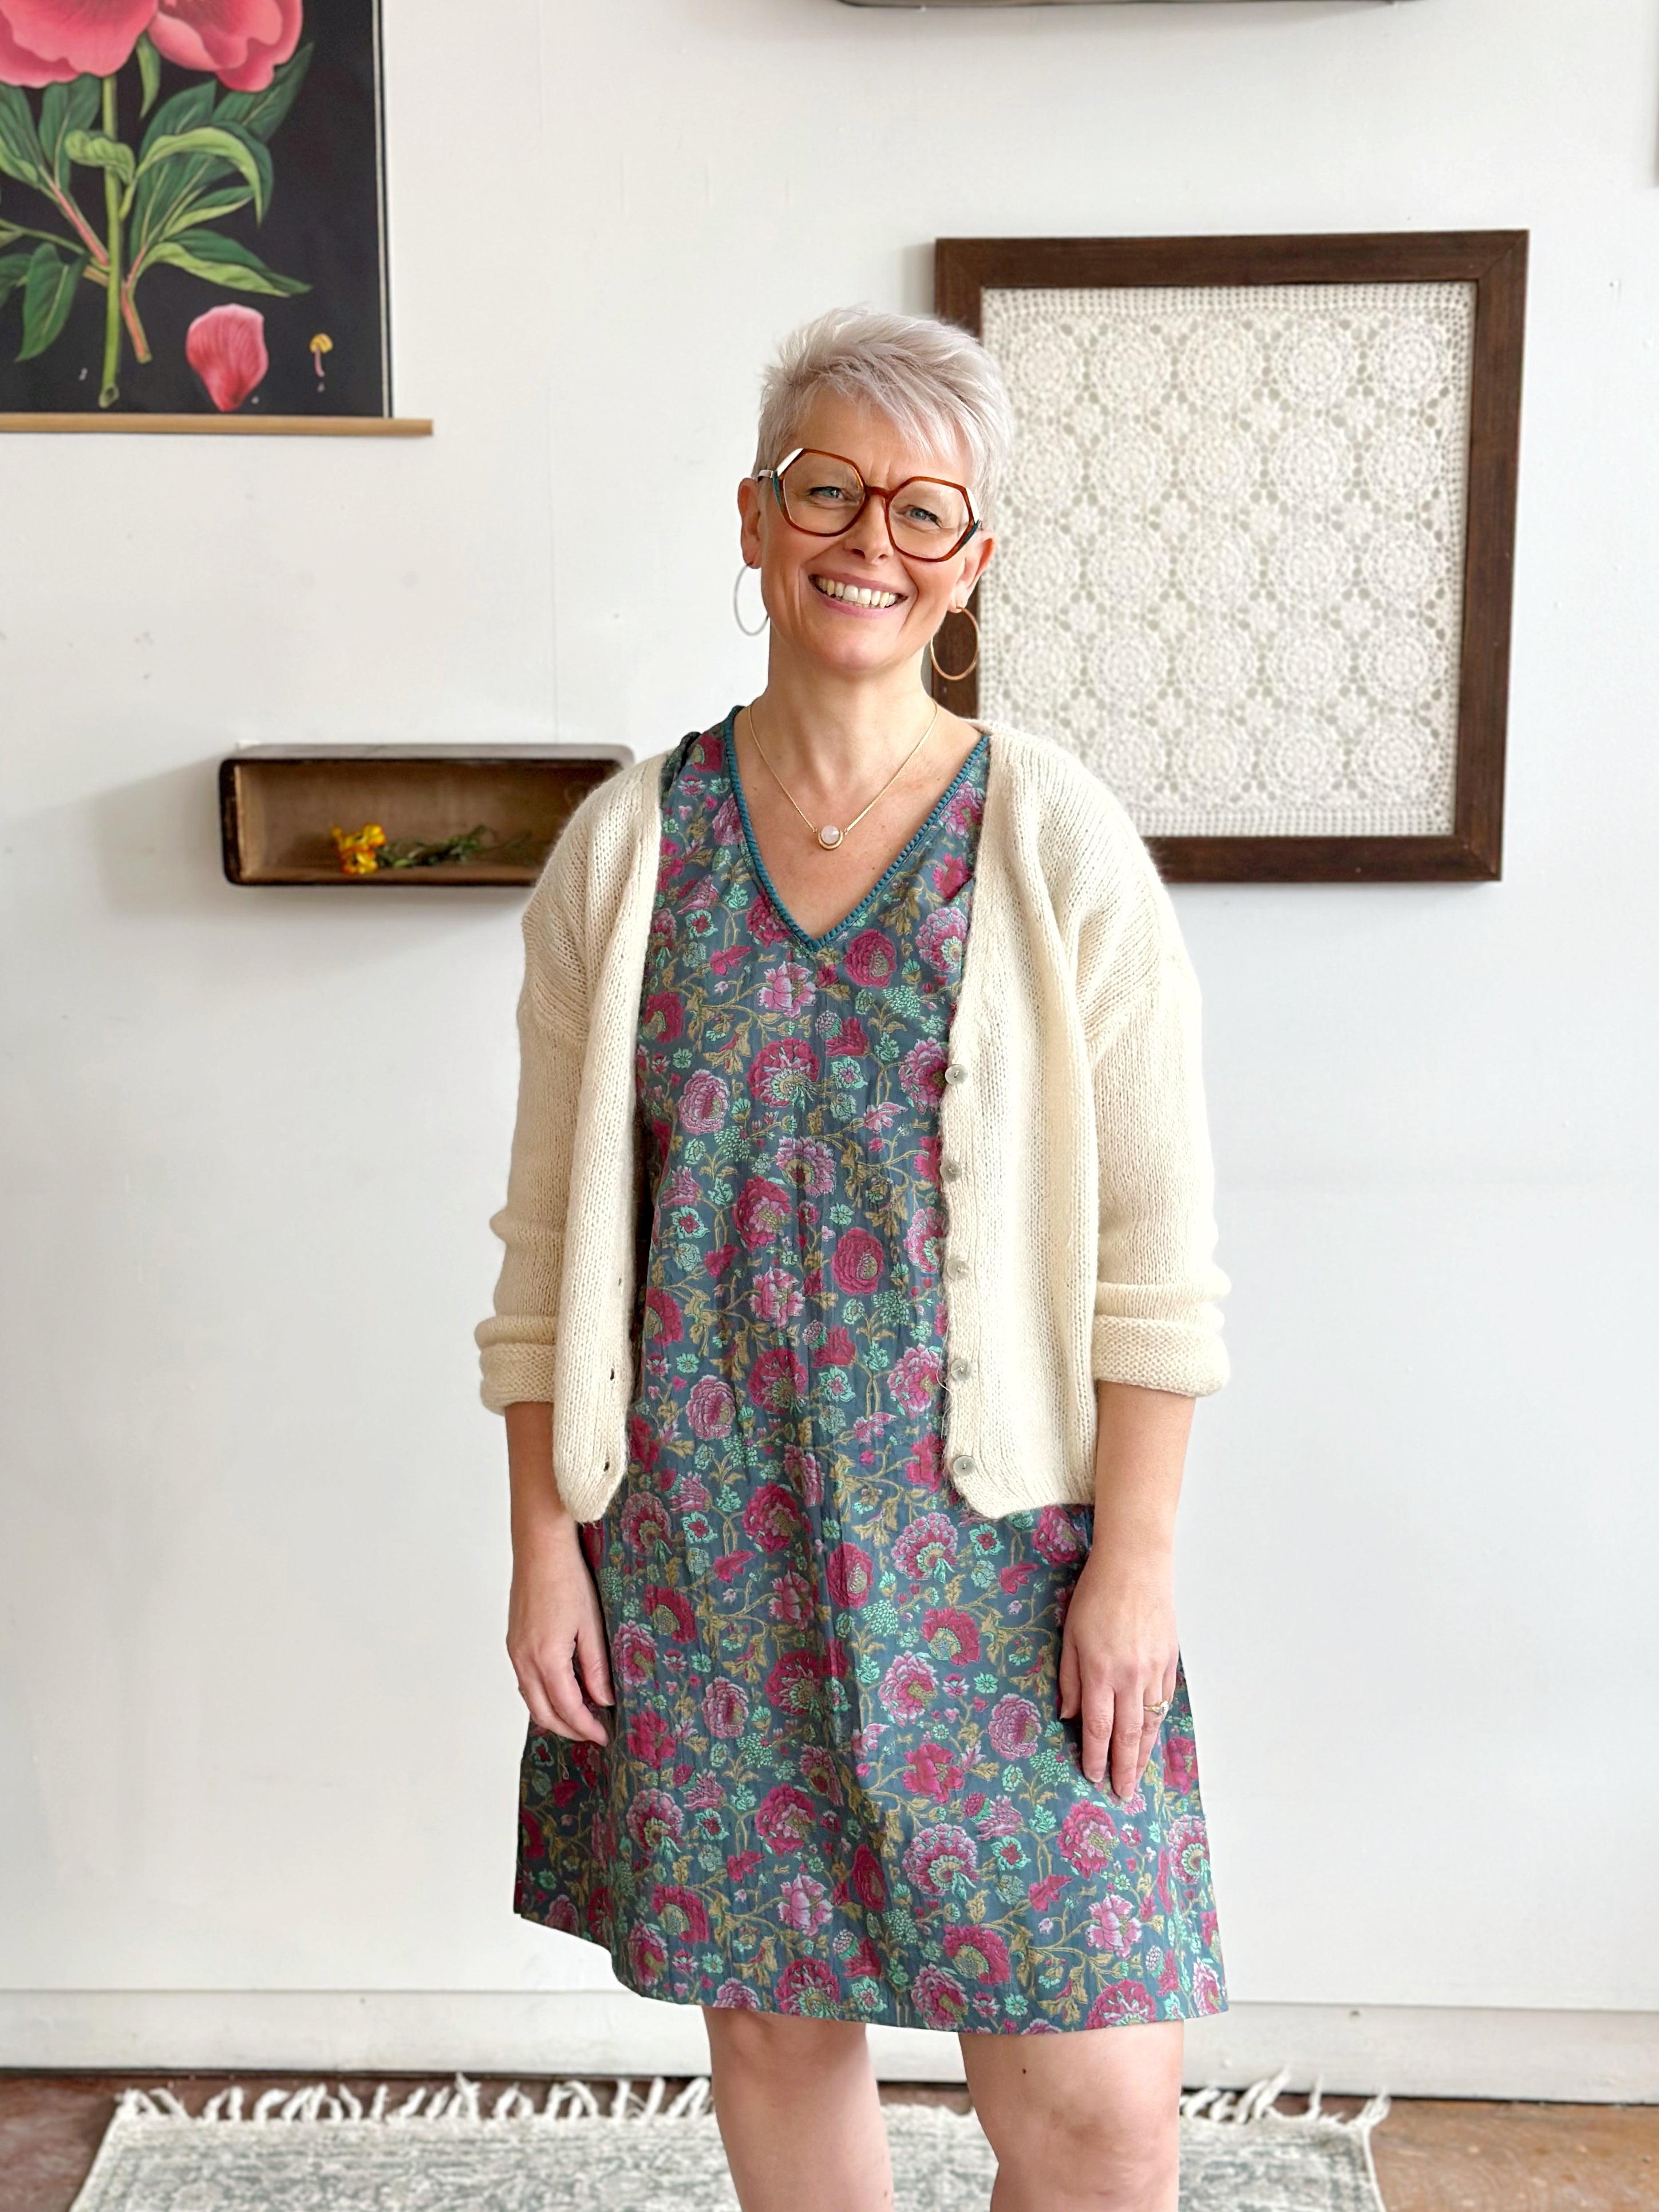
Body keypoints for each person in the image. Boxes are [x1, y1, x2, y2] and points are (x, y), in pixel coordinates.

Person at [477, 306, 1230, 2212]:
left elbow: (1158, 1253)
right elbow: (548, 1248)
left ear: (972, 558)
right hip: (704, 1546)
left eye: (921, 509)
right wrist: (543, 1541)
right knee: (772, 2028)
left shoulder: (1051, 840)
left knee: (1094, 2098)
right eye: (827, 489)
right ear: (753, 516)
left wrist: (1130, 1571)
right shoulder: (630, 848)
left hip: (999, 1559)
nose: (865, 541)